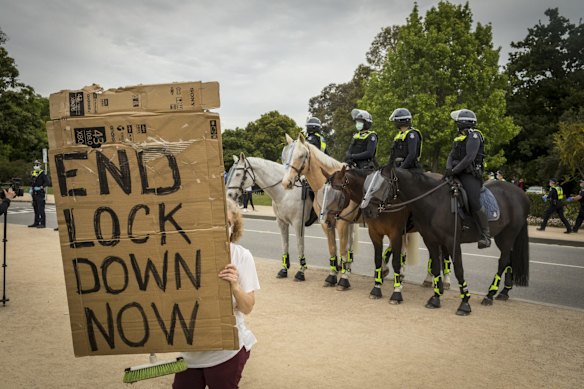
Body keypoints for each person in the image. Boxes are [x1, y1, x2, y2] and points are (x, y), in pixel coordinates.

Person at [173, 198, 260, 389]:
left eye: (228, 223)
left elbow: (248, 307)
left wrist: (235, 287)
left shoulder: (241, 256)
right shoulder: (181, 256)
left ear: (233, 228)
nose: (223, 228)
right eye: (217, 222)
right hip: (190, 350)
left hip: (225, 352)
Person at [444, 109, 491, 249]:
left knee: (472, 200)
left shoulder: (475, 136)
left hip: (470, 175)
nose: (456, 124)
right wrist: (448, 169)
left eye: (457, 122)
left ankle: (485, 234)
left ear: (463, 122)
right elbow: (451, 155)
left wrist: (454, 170)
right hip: (455, 173)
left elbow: (469, 157)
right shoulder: (458, 138)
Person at [303, 117, 327, 226]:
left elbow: (309, 154)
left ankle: (314, 211)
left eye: (308, 126)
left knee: (311, 188)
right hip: (322, 165)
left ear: (312, 127)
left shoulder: (311, 139)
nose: (307, 128)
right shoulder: (321, 138)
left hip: (314, 167)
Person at [28, 160, 49, 228]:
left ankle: (43, 223)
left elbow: (47, 182)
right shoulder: (33, 173)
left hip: (40, 193)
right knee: (35, 208)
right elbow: (32, 182)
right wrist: (31, 188)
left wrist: (41, 187)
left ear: (40, 166)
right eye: (34, 164)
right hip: (34, 193)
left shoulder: (43, 174)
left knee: (41, 209)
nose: (35, 166)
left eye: (37, 165)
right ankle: (36, 222)